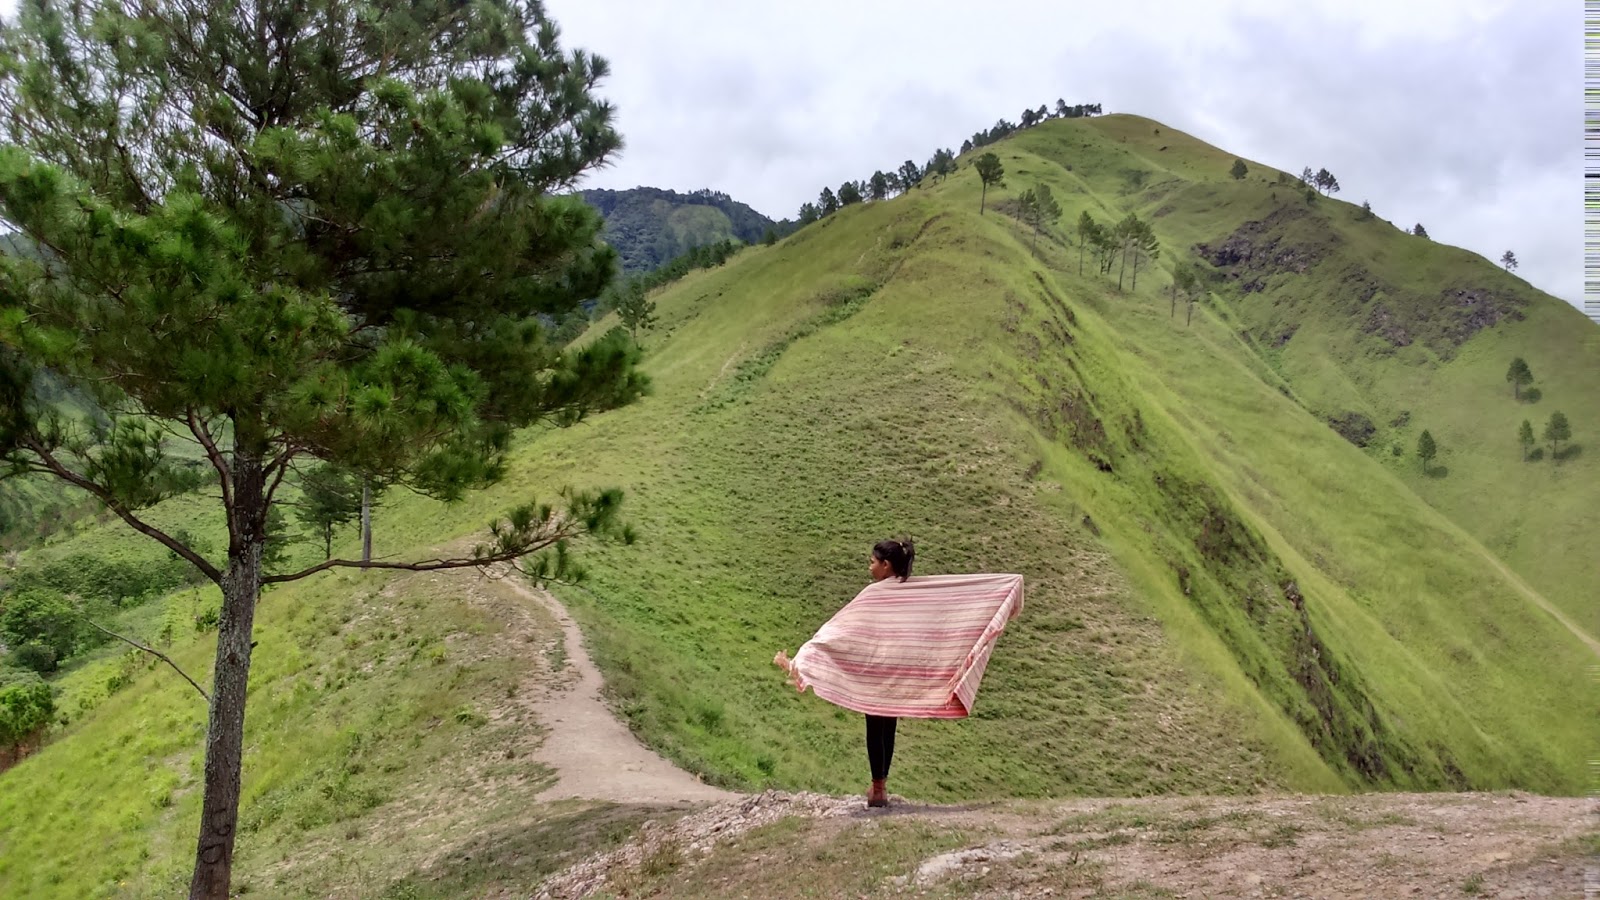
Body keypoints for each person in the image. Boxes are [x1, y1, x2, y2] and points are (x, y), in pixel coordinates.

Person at [863, 537, 914, 807]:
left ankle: (878, 788)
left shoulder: (875, 593)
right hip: (899, 667)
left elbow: (851, 623)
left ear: (886, 565)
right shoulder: (912, 591)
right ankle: (881, 786)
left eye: (873, 562)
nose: (870, 568)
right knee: (889, 724)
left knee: (874, 724)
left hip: (878, 665)